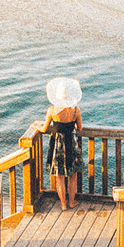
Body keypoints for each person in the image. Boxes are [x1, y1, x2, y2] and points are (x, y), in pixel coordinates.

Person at [43, 78, 84, 211]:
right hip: (71, 142)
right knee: (73, 175)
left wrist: (35, 125)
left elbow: (44, 129)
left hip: (58, 144)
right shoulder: (75, 110)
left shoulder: (52, 110)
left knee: (59, 176)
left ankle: (63, 204)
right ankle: (72, 202)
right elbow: (80, 129)